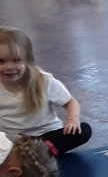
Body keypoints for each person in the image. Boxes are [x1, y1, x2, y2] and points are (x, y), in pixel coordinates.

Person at [0, 27, 92, 156]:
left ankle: (35, 153)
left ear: (27, 59)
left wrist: (73, 119)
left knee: (83, 130)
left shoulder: (43, 80)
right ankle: (34, 155)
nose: (9, 67)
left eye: (16, 60)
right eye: (1, 61)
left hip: (48, 135)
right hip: (14, 141)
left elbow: (70, 102)